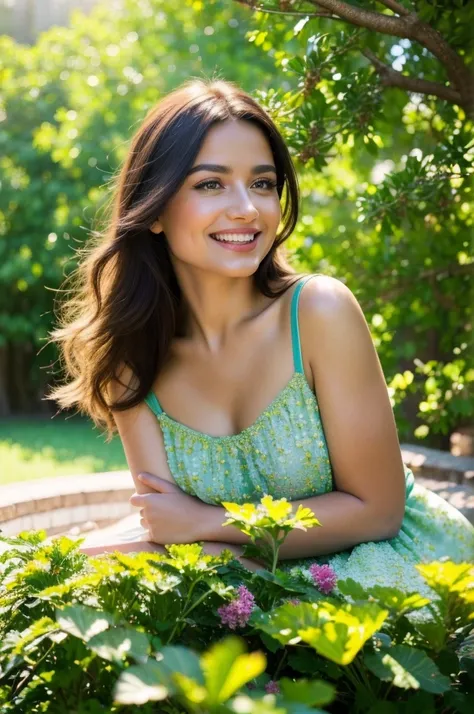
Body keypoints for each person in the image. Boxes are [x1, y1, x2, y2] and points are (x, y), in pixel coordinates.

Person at [47, 78, 474, 590]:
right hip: (242, 581)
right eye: (211, 184)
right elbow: (164, 530)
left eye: (263, 183)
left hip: (386, 570)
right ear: (155, 209)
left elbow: (378, 512)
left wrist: (211, 523)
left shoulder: (318, 312)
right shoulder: (130, 356)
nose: (247, 208)